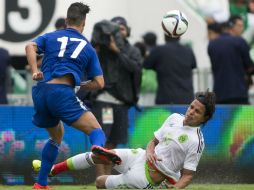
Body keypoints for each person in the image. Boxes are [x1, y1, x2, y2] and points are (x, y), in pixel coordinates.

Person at [32, 90, 216, 189]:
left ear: (204, 118)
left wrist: (176, 189)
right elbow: (154, 141)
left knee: (99, 182)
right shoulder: (175, 117)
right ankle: (52, 170)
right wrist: (151, 150)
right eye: (191, 107)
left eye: (197, 111)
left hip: (146, 178)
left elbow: (188, 175)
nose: (191, 112)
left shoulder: (196, 141)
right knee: (99, 156)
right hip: (141, 156)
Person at [25, 2, 121, 189]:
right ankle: (97, 148)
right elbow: (100, 83)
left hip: (41, 92)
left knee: (56, 137)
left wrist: (35, 70)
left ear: (66, 21)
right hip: (61, 93)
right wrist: (80, 84)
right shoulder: (88, 47)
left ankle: (41, 184)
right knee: (96, 131)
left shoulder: (51, 36)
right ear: (84, 23)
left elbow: (30, 46)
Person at [87, 17, 142, 176]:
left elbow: (135, 69)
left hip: (122, 102)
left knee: (114, 142)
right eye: (115, 29)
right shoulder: (100, 50)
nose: (118, 32)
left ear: (127, 31)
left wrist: (117, 50)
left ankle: (107, 178)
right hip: (103, 100)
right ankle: (100, 178)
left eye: (122, 29)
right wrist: (101, 43)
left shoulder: (133, 51)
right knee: (101, 142)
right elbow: (90, 58)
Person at [208, 19, 254, 104]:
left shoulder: (212, 44)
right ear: (231, 28)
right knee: (242, 117)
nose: (241, 29)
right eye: (239, 26)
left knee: (223, 117)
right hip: (239, 92)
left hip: (219, 93)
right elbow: (250, 67)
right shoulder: (240, 41)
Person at [143, 34, 197, 105]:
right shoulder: (188, 50)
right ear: (179, 36)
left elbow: (146, 64)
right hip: (186, 97)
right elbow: (193, 65)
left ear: (165, 36)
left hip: (166, 98)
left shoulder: (159, 50)